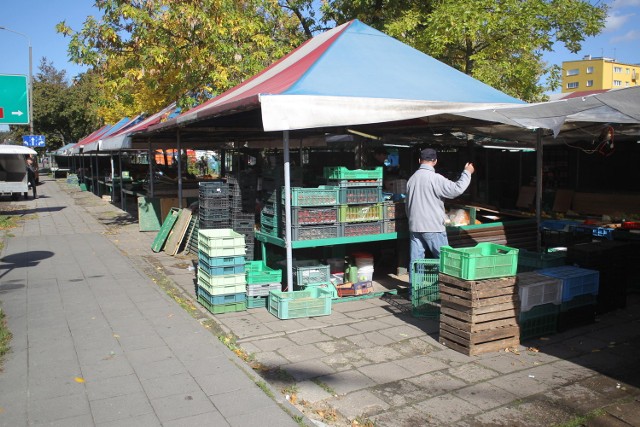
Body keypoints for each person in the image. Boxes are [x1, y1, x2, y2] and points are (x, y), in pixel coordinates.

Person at [406, 148, 474, 293]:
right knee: (446, 261)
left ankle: (414, 294)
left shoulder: (411, 179)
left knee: (416, 263)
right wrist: (467, 172)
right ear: (435, 161)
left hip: (415, 227)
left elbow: (408, 205)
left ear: (419, 161)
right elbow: (457, 189)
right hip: (433, 227)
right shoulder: (435, 178)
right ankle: (450, 293)